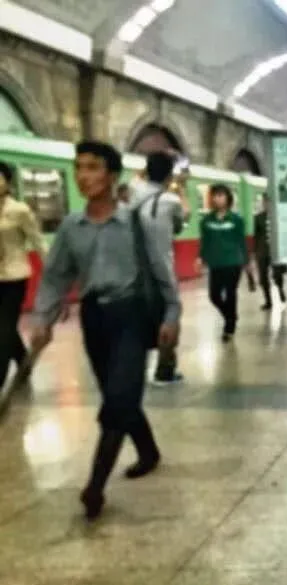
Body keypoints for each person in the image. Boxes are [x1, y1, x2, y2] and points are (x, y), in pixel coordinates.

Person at [30, 141, 181, 519]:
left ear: (112, 176)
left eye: (93, 167)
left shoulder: (137, 223)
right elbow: (56, 276)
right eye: (79, 167)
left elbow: (162, 270)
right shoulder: (71, 227)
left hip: (132, 314)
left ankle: (95, 487)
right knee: (119, 393)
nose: (83, 176)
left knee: (118, 398)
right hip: (95, 318)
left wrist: (172, 314)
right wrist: (43, 318)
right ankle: (148, 450)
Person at [130, 151, 187, 386]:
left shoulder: (131, 190)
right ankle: (165, 370)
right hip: (158, 266)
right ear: (169, 176)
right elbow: (180, 224)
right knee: (172, 311)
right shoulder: (170, 201)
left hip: (129, 270)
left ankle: (133, 368)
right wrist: (180, 190)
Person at [0, 161, 46, 394]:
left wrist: (53, 274)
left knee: (5, 327)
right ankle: (23, 361)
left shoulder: (20, 210)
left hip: (15, 276)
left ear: (7, 183)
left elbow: (38, 241)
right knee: (5, 328)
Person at [199, 184, 249, 342]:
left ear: (228, 198)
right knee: (214, 295)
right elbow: (204, 242)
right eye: (215, 195)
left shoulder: (236, 220)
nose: (218, 198)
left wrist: (246, 261)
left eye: (221, 195)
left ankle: (229, 327)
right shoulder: (206, 220)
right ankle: (230, 315)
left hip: (233, 262)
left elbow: (241, 241)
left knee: (230, 293)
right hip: (215, 264)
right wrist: (200, 258)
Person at [253, 193, 286, 311]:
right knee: (263, 278)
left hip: (276, 251)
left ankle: (280, 289)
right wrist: (255, 252)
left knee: (277, 275)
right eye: (265, 202)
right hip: (262, 252)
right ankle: (268, 301)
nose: (266, 204)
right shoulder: (258, 218)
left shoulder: (279, 216)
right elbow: (255, 236)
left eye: (269, 202)